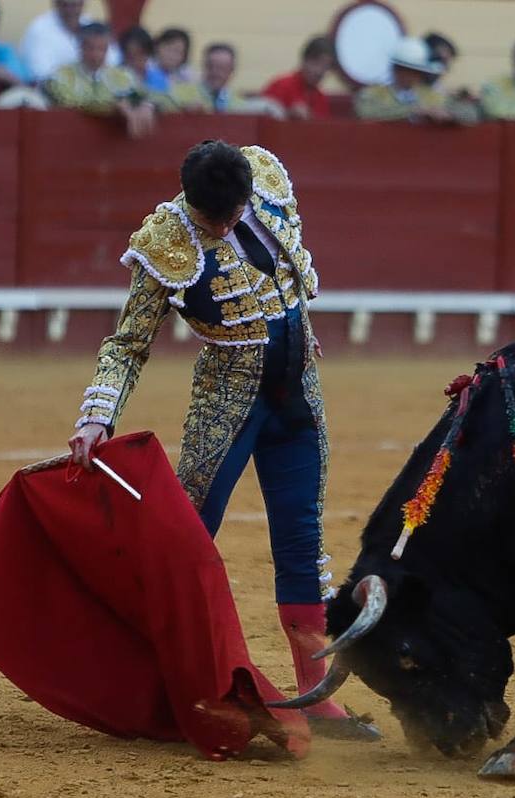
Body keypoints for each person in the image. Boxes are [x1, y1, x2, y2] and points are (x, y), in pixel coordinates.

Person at [67, 140, 377, 741]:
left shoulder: (264, 180)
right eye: (214, 219)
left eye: (234, 213)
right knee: (187, 539)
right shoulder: (168, 240)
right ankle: (159, 683)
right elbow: (128, 343)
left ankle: (315, 701)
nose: (227, 226)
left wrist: (299, 331)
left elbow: (286, 280)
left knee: (302, 541)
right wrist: (97, 415)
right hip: (228, 404)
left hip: (298, 398)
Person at [43, 22, 156, 139]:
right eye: (90, 48)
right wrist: (113, 107)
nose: (96, 55)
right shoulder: (61, 75)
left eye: (102, 49)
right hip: (72, 137)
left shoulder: (122, 76)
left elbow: (143, 96)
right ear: (80, 47)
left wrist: (147, 105)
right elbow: (72, 103)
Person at [354, 37, 476, 124]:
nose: (412, 76)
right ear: (395, 69)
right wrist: (413, 111)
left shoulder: (431, 95)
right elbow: (364, 112)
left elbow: (471, 114)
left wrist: (451, 115)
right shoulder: (375, 93)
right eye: (405, 70)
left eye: (416, 71)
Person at [19, 0, 120, 85]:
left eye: (77, 4)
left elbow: (114, 60)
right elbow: (41, 74)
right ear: (56, 3)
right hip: (54, 93)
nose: (72, 9)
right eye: (67, 4)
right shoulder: (39, 29)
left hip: (97, 89)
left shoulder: (89, 22)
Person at [261, 36, 335, 120]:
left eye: (326, 67)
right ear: (304, 60)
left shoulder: (321, 99)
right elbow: (260, 118)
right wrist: (288, 114)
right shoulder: (281, 86)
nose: (319, 71)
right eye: (316, 63)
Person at [119, 26, 168, 93]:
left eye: (140, 54)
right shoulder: (115, 76)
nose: (136, 60)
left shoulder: (158, 78)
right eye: (131, 56)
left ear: (148, 53)